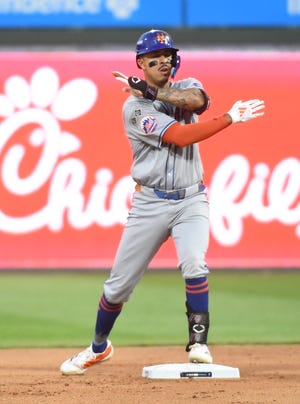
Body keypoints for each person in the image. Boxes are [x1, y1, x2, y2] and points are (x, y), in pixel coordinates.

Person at [60, 29, 264, 375]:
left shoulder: (186, 86)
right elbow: (181, 136)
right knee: (118, 286)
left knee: (194, 263)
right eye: (155, 57)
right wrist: (229, 118)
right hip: (150, 204)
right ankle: (98, 346)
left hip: (191, 199)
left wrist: (156, 88)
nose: (164, 61)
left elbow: (197, 101)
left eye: (168, 55)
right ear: (140, 63)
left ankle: (198, 343)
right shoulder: (135, 107)